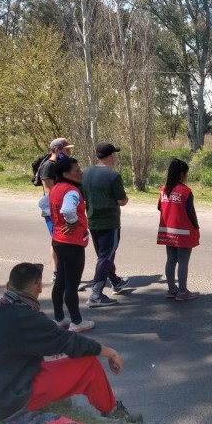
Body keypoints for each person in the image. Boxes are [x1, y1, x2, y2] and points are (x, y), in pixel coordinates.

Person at [0, 262, 141, 423]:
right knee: (88, 364)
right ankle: (114, 413)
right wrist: (110, 352)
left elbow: (53, 345)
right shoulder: (26, 318)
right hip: (2, 404)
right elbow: (71, 343)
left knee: (50, 359)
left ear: (8, 286)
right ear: (38, 287)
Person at [47, 156, 94, 332]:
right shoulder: (72, 191)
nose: (81, 172)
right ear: (66, 173)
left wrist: (60, 221)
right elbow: (67, 209)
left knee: (60, 281)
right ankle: (76, 321)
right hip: (72, 243)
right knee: (72, 285)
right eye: (77, 170)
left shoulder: (56, 188)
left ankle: (59, 318)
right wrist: (72, 221)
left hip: (58, 240)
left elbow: (43, 204)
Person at [81, 142, 129, 307]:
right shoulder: (113, 176)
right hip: (109, 222)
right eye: (114, 154)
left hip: (93, 220)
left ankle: (116, 281)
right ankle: (96, 295)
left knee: (105, 256)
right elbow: (122, 201)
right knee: (105, 257)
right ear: (110, 156)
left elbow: (82, 196)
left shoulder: (85, 173)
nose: (115, 156)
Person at [157, 158, 200, 301]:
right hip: (183, 232)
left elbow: (160, 207)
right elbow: (191, 213)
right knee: (183, 262)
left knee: (170, 260)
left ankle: (171, 289)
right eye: (186, 173)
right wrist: (196, 227)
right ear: (182, 174)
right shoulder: (185, 191)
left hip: (167, 232)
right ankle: (182, 291)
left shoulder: (163, 190)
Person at [38, 138, 75, 283]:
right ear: (56, 150)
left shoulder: (61, 165)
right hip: (53, 210)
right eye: (66, 149)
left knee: (62, 241)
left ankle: (62, 273)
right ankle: (57, 273)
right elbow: (49, 191)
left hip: (63, 208)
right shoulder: (48, 166)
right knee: (58, 241)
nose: (69, 152)